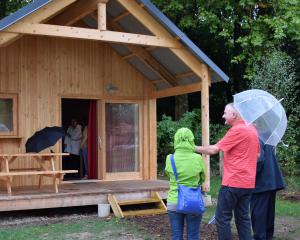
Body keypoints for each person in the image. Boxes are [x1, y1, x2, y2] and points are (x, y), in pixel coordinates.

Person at [195, 103, 260, 240]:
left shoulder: (237, 130)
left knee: (222, 218)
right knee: (243, 219)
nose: (223, 115)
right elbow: (258, 154)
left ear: (234, 115)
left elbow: (213, 150)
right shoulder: (252, 129)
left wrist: (192, 147)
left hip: (233, 183)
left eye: (225, 113)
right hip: (248, 183)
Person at [165, 127, 206, 240]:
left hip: (174, 201)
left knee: (176, 236)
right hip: (193, 201)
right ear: (191, 140)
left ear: (176, 140)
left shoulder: (170, 158)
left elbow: (169, 175)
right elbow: (202, 178)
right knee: (193, 236)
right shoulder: (198, 158)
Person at [250, 141, 285, 240]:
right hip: (271, 181)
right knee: (268, 214)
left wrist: (248, 174)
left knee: (258, 213)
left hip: (261, 183)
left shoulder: (256, 138)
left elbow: (258, 160)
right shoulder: (267, 138)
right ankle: (267, 237)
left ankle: (259, 238)